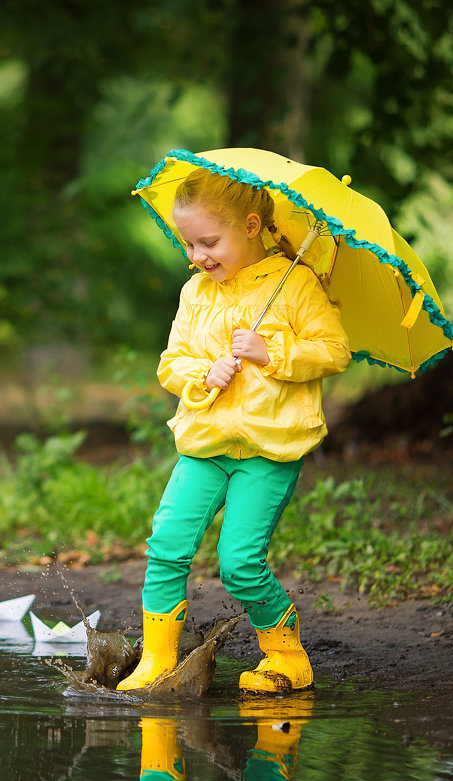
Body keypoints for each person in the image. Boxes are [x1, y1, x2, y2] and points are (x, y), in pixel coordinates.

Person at [117, 167, 350, 693]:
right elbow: (171, 362)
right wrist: (205, 372)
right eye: (188, 243)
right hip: (205, 445)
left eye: (209, 241)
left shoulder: (296, 284)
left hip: (269, 449)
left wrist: (274, 352)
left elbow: (335, 350)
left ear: (250, 226)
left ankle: (287, 657)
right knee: (168, 544)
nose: (198, 255)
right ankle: (157, 658)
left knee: (240, 562)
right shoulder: (197, 293)